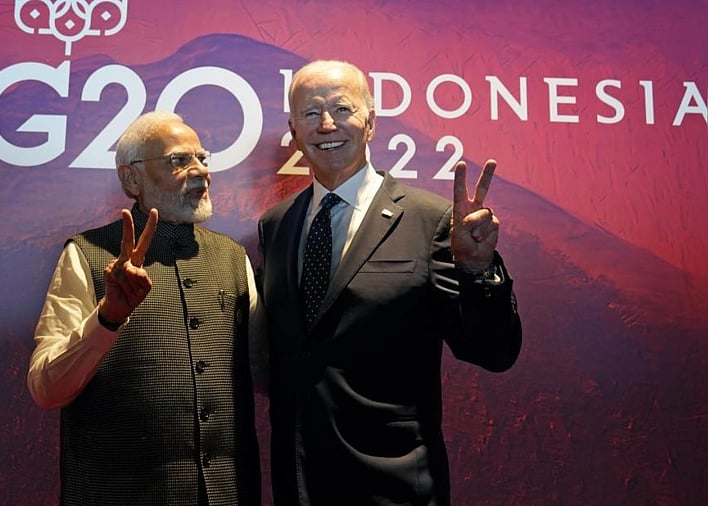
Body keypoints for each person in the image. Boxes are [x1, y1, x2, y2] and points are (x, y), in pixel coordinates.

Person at [256, 60, 523, 505]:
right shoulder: (276, 224)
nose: (326, 125)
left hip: (394, 483)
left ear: (371, 122)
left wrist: (478, 270)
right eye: (310, 114)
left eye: (342, 109)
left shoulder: (430, 219)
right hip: (300, 482)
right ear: (293, 130)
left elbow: (493, 353)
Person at [28, 111, 262, 505]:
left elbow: (266, 367)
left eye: (203, 159)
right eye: (178, 160)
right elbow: (46, 389)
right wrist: (108, 318)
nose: (200, 171)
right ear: (131, 179)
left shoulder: (232, 258)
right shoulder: (85, 255)